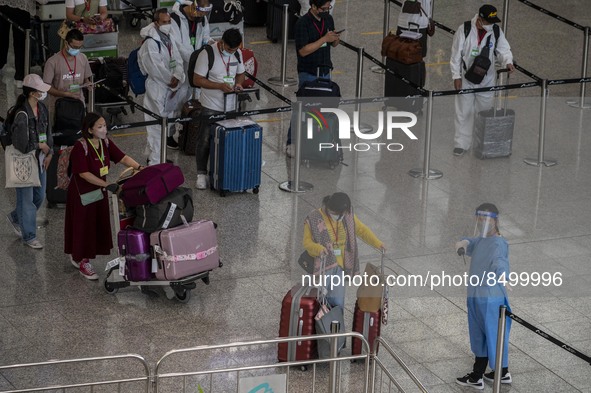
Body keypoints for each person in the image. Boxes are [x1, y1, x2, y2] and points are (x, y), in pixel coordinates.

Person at [64, 112, 143, 280]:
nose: (104, 129)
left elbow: (122, 157)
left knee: (94, 225)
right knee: (83, 226)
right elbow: (83, 174)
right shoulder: (81, 146)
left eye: (105, 126)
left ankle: (80, 253)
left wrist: (139, 167)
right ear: (90, 129)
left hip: (99, 192)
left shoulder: (105, 143)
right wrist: (107, 185)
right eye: (100, 127)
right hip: (82, 195)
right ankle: (82, 260)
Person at [455, 203, 512, 389]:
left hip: (489, 299)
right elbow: (473, 243)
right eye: (479, 219)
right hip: (477, 297)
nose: (482, 223)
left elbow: (500, 261)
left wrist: (504, 276)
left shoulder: (498, 243)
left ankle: (477, 375)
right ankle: (501, 373)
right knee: (484, 334)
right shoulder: (483, 239)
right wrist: (464, 243)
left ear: (495, 220)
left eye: (486, 219)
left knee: (489, 335)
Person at [450, 4, 514, 157]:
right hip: (466, 78)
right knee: (464, 111)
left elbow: (504, 49)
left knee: (483, 112)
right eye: (488, 22)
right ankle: (461, 143)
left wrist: (508, 61)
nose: (491, 25)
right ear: (479, 19)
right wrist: (456, 76)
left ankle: (482, 143)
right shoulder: (464, 29)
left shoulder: (496, 31)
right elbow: (455, 56)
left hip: (487, 79)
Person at [303, 192, 385, 311]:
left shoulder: (347, 215)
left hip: (339, 267)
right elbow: (307, 243)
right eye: (335, 214)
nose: (338, 217)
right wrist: (319, 249)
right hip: (322, 267)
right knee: (319, 301)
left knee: (337, 302)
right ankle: (317, 327)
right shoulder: (314, 218)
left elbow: (361, 230)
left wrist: (378, 243)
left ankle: (335, 326)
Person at [286, 0, 341, 157]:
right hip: (308, 72)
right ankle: (292, 141)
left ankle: (320, 139)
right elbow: (303, 51)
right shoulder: (302, 24)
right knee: (302, 108)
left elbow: (335, 44)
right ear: (313, 7)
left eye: (328, 8)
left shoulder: (328, 19)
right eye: (323, 8)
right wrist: (324, 39)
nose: (326, 11)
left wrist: (335, 38)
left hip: (325, 70)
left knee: (324, 109)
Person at [192, 27, 244, 189]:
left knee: (229, 139)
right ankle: (201, 173)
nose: (232, 52)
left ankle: (224, 170)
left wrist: (239, 84)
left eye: (235, 49)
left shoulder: (237, 53)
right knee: (205, 139)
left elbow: (241, 73)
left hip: (230, 104)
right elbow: (197, 80)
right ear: (221, 43)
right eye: (229, 49)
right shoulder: (206, 54)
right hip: (210, 105)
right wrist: (219, 86)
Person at [5, 74, 53, 249]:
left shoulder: (42, 108)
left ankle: (17, 218)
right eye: (40, 90)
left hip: (40, 159)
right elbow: (21, 145)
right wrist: (39, 144)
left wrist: (49, 152)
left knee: (39, 196)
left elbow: (48, 132)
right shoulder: (21, 115)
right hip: (24, 162)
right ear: (33, 93)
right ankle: (29, 236)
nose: (43, 93)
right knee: (26, 200)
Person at [138, 8, 186, 164]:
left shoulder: (169, 37)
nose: (167, 24)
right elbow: (155, 68)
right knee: (156, 128)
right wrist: (170, 79)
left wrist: (178, 76)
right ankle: (155, 162)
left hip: (170, 89)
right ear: (156, 23)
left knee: (164, 126)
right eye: (164, 22)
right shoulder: (150, 43)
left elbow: (177, 59)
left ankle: (158, 157)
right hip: (157, 89)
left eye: (169, 21)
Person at [42, 28, 93, 115]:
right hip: (59, 106)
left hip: (79, 104)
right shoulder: (52, 62)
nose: (77, 50)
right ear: (66, 43)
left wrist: (88, 83)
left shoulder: (83, 58)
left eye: (80, 47)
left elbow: (86, 78)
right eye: (75, 47)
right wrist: (65, 94)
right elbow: (46, 87)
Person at [170, 0, 213, 102]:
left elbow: (205, 36)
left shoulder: (202, 18)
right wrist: (195, 59)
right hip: (181, 62)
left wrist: (210, 43)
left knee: (194, 92)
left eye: (203, 14)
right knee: (179, 93)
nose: (201, 16)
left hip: (195, 61)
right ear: (193, 7)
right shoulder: (175, 19)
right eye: (199, 13)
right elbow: (178, 45)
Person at [0, 0, 35, 88]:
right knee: (21, 41)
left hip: (3, 4)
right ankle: (20, 77)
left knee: (2, 37)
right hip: (22, 5)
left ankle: (2, 64)